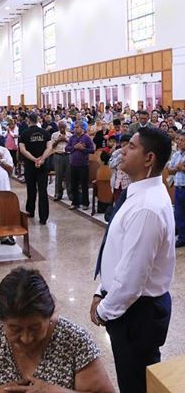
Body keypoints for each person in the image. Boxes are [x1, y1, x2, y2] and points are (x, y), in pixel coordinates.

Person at [91, 127, 175, 393]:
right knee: (133, 379)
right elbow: (119, 252)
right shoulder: (137, 194)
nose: (123, 151)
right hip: (128, 305)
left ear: (149, 158)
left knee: (136, 384)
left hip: (137, 312)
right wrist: (101, 290)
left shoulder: (147, 207)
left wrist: (104, 310)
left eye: (132, 147)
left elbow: (133, 277)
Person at [0, 267, 114, 393]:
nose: (26, 338)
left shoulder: (74, 340)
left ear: (50, 316)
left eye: (35, 327)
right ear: (0, 320)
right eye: (15, 329)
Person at [18, 113, 53, 224]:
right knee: (43, 191)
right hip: (43, 166)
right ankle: (43, 217)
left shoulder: (24, 134)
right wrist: (41, 159)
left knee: (31, 189)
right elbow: (49, 147)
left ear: (28, 121)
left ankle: (30, 211)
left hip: (30, 166)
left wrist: (34, 160)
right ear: (38, 120)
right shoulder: (45, 133)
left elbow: (22, 150)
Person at [65, 122, 95, 210]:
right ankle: (75, 203)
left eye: (77, 127)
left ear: (82, 128)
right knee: (73, 184)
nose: (75, 129)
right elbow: (67, 148)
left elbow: (92, 150)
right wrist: (75, 147)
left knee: (84, 185)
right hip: (73, 164)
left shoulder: (86, 138)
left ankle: (85, 203)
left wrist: (83, 149)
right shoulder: (72, 138)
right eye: (74, 127)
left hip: (83, 165)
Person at [168, 134, 185, 248]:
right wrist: (179, 168)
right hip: (178, 187)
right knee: (179, 213)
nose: (179, 142)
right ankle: (182, 238)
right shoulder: (176, 154)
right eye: (178, 140)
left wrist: (181, 169)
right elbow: (169, 170)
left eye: (183, 140)